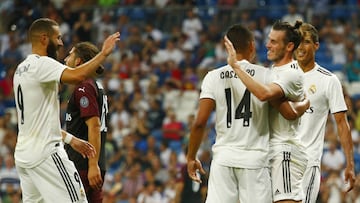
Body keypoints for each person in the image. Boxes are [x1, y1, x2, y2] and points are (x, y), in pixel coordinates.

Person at [187, 24, 308, 203]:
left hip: (223, 159)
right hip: (255, 159)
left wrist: (191, 157)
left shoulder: (212, 77)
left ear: (227, 47)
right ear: (252, 46)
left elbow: (199, 123)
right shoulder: (266, 75)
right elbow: (288, 112)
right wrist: (305, 102)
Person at [12, 18, 119, 202]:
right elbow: (78, 75)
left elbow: (38, 122)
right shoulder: (43, 64)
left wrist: (71, 139)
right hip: (47, 154)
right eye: (58, 38)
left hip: (24, 157)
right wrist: (103, 54)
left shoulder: (20, 70)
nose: (61, 43)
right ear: (44, 39)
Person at [224, 21, 307, 203]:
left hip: (285, 151)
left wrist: (236, 66)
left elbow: (264, 94)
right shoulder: (270, 72)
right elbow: (290, 111)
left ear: (289, 46)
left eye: (274, 42)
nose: (268, 45)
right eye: (269, 40)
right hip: (266, 153)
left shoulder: (290, 73)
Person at [294, 22, 355, 203]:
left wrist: (350, 164)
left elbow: (342, 124)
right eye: (297, 42)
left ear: (316, 45)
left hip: (308, 162)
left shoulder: (328, 80)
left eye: (305, 42)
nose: (301, 47)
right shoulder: (281, 75)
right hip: (279, 158)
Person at [63, 42, 109, 202]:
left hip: (82, 165)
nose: (65, 59)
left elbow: (94, 125)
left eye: (70, 55)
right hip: (92, 164)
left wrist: (92, 165)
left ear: (79, 61)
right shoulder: (96, 86)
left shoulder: (84, 87)